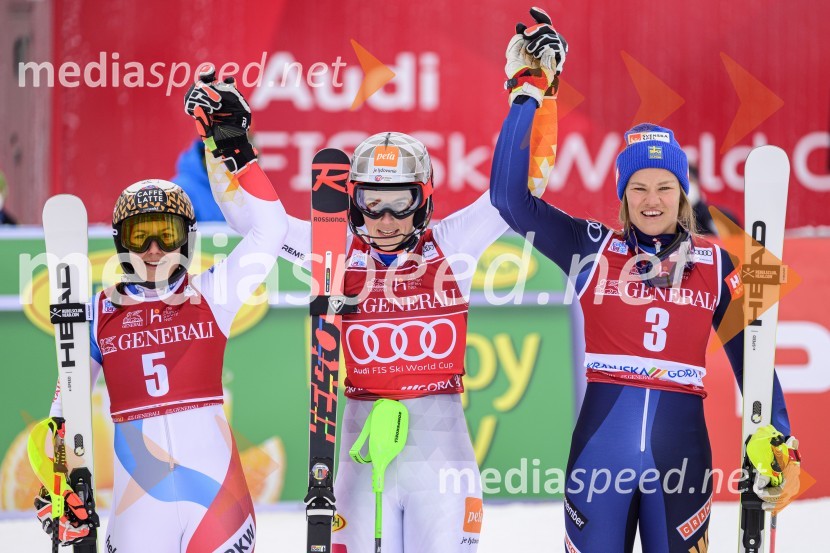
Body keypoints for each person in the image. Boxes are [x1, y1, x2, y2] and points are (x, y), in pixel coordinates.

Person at [195, 21, 565, 549]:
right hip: (358, 444)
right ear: (353, 202)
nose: (386, 219)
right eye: (371, 202)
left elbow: (525, 185)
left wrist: (538, 90)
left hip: (443, 453)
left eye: (401, 203)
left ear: (425, 200)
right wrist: (223, 140)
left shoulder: (452, 245)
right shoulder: (335, 247)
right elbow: (252, 223)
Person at [489, 16, 800, 552]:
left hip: (683, 463)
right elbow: (509, 200)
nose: (651, 200)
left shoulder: (714, 261)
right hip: (598, 464)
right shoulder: (590, 247)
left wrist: (776, 436)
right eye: (638, 187)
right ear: (623, 194)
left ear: (682, 195)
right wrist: (528, 93)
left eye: (664, 187)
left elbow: (755, 355)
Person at [33, 74, 287, 552]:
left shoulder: (215, 294)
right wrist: (58, 481)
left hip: (218, 502)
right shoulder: (94, 314)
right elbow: (63, 414)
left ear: (188, 239)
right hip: (137, 510)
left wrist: (237, 151)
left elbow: (269, 229)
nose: (153, 250)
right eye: (139, 236)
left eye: (166, 235)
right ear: (120, 243)